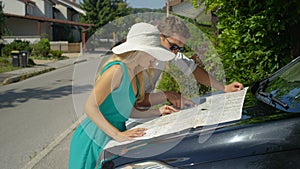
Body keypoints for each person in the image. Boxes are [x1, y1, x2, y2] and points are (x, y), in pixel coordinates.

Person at [68, 22, 178, 169]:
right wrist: (118, 135)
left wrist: (158, 112)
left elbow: (126, 111)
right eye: (153, 54)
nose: (154, 60)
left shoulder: (136, 75)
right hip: (94, 138)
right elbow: (89, 107)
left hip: (115, 133)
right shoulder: (116, 70)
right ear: (140, 51)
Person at [131, 16, 244, 111]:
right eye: (173, 46)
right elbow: (136, 101)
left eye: (180, 48)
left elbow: (192, 69)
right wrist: (168, 95)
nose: (175, 52)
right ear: (161, 37)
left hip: (142, 114)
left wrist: (224, 87)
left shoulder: (167, 51)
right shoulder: (139, 57)